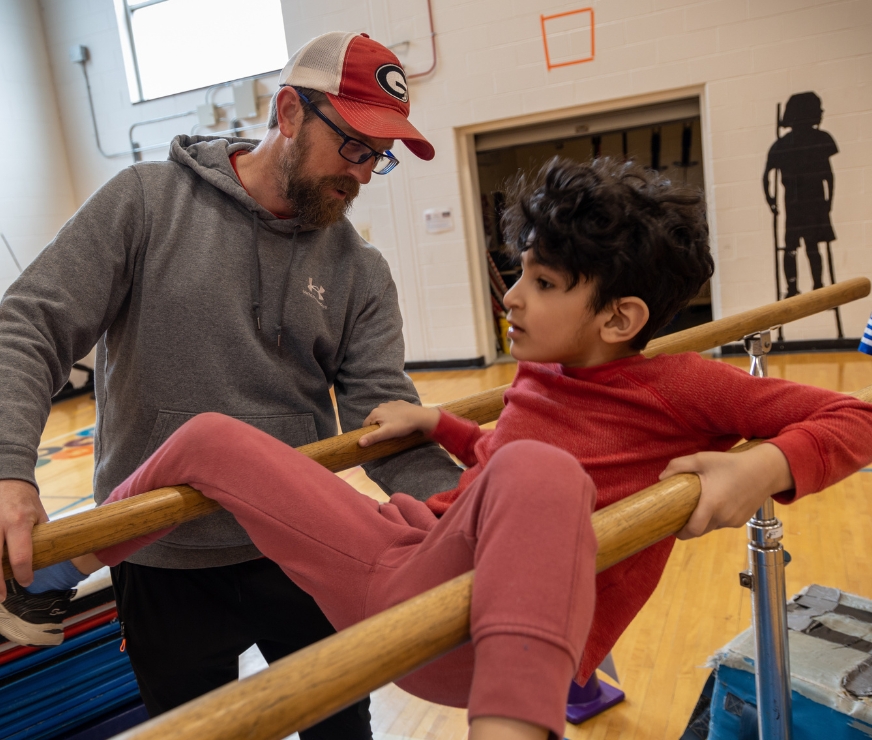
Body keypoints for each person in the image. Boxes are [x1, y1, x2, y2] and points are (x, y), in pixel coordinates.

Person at [7, 157, 872, 740]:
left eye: (541, 284)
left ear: (620, 318)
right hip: (405, 560)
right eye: (519, 273)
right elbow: (508, 453)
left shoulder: (685, 389)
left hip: (480, 626)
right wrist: (443, 428)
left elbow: (855, 418)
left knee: (541, 472)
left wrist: (760, 466)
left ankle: (515, 724)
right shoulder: (545, 374)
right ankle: (43, 581)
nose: (512, 297)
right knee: (206, 438)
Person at [0, 31, 462, 737]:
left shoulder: (360, 271)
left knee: (343, 729)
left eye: (380, 157)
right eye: (354, 146)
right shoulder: (145, 204)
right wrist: (9, 471)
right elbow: (29, 325)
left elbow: (386, 424)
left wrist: (459, 521)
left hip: (303, 551)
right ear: (287, 112)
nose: (363, 174)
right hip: (159, 559)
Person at [763, 91, 839, 298]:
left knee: (804, 246)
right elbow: (829, 177)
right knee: (796, 247)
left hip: (809, 201)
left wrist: (771, 201)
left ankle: (815, 284)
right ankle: (796, 287)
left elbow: (828, 176)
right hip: (800, 202)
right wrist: (771, 202)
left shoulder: (817, 140)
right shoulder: (787, 145)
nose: (822, 112)